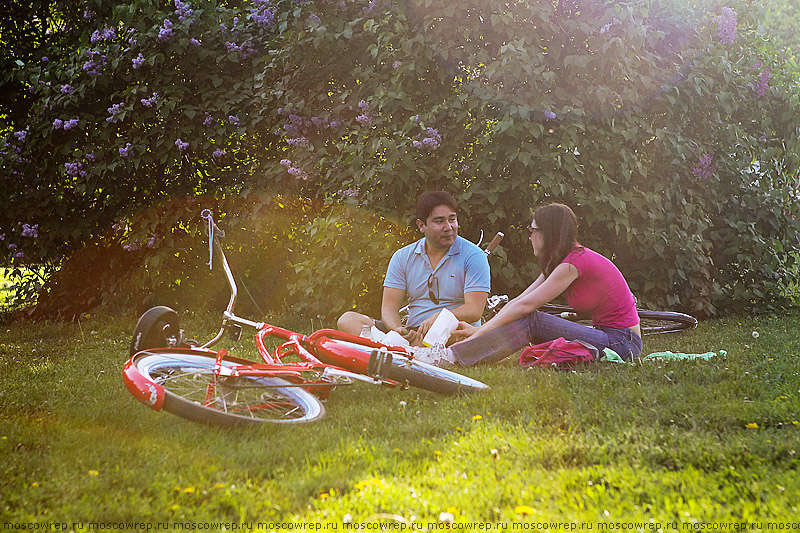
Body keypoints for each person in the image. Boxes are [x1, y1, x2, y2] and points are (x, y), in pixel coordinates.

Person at [415, 203, 642, 366]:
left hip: (622, 343)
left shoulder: (573, 263)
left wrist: (477, 336)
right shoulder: (561, 262)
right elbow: (520, 301)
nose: (529, 236)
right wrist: (479, 330)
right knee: (528, 318)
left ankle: (452, 357)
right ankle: (455, 354)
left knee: (531, 319)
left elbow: (526, 309)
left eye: (532, 231)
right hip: (607, 335)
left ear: (549, 232)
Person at [337, 191, 491, 346]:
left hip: (452, 330)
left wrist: (440, 317)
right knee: (347, 320)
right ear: (421, 225)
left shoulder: (473, 256)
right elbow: (389, 307)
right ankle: (399, 344)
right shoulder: (403, 256)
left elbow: (474, 310)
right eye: (439, 221)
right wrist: (398, 330)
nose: (448, 227)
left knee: (448, 336)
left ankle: (391, 347)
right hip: (412, 331)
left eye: (452, 219)